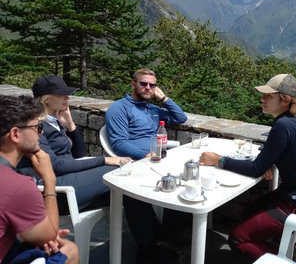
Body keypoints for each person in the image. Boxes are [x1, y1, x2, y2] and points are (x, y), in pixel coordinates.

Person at [17, 75, 178, 264]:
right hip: (53, 191)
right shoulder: (35, 126)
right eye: (62, 95)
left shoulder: (55, 120)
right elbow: (56, 165)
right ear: (46, 98)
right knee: (122, 174)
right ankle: (151, 245)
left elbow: (78, 154)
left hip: (68, 180)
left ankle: (150, 244)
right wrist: (105, 160)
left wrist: (70, 126)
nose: (67, 98)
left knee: (129, 191)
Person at [199, 74, 296, 260]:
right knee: (247, 212)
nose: (262, 99)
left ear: (285, 99)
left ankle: (289, 260)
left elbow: (255, 169)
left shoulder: (284, 125)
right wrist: (266, 159)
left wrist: (218, 159)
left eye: (269, 95)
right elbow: (282, 149)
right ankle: (281, 247)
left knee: (238, 238)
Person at [0, 95, 79, 264]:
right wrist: (49, 178)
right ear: (15, 134)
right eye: (37, 127)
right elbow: (49, 236)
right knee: (69, 249)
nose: (40, 134)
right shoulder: (18, 186)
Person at [105, 68, 187, 160]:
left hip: (158, 156)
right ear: (133, 84)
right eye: (143, 84)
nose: (148, 87)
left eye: (152, 85)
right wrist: (147, 156)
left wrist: (163, 98)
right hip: (139, 160)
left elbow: (181, 118)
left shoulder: (152, 109)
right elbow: (119, 144)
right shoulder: (119, 108)